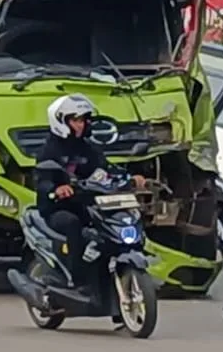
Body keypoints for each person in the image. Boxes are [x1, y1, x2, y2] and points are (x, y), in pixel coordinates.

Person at [34, 94, 145, 296]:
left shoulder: (88, 148)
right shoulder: (49, 151)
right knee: (72, 224)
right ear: (61, 121)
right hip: (57, 208)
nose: (81, 125)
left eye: (84, 120)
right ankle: (75, 280)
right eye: (76, 120)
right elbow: (42, 180)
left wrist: (130, 178)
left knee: (110, 226)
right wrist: (56, 189)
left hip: (87, 205)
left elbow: (106, 169)